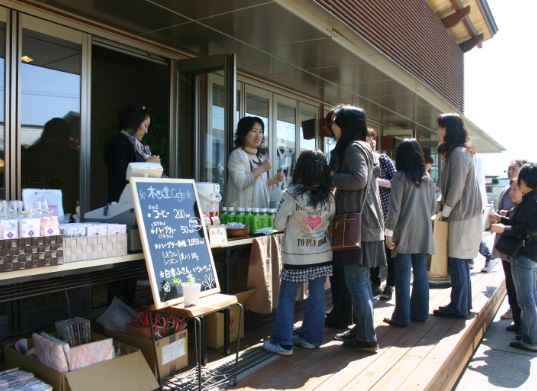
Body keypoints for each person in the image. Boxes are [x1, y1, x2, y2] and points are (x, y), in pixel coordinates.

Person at [263, 150, 335, 356]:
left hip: (297, 255)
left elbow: (278, 223)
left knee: (287, 296)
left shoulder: (292, 194)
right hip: (322, 254)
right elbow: (330, 221)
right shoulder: (328, 196)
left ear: (300, 169)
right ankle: (311, 338)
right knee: (318, 295)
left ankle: (282, 342)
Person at [329, 105, 385, 352]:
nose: (333, 126)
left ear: (346, 125)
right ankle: (363, 330)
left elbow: (359, 179)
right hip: (366, 224)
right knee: (358, 281)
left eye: (336, 122)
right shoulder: (363, 147)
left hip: (357, 226)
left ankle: (367, 336)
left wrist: (328, 178)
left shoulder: (353, 148)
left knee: (357, 281)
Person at [433, 113, 482, 319]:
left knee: (457, 260)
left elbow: (457, 187)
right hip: (463, 215)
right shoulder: (459, 153)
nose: (438, 131)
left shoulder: (459, 154)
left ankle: (459, 307)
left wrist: (445, 211)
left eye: (440, 127)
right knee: (459, 261)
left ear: (448, 129)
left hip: (463, 216)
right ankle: (462, 304)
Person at [383, 139, 435, 327]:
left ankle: (401, 316)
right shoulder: (428, 178)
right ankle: (420, 313)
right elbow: (432, 209)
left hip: (403, 232)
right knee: (421, 273)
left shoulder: (400, 177)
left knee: (403, 274)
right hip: (423, 232)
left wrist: (388, 233)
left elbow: (394, 209)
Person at [491, 162, 537, 352]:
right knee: (530, 298)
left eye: (519, 179)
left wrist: (504, 228)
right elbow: (523, 223)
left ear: (525, 180)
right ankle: (529, 335)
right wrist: (502, 219)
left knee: (526, 300)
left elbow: (527, 230)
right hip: (531, 255)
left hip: (524, 256)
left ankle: (530, 340)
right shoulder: (532, 198)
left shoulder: (530, 201)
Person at [22, 118, 79, 216]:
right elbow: (77, 185)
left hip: (33, 207)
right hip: (65, 208)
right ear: (66, 134)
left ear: (45, 133)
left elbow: (21, 179)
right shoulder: (72, 155)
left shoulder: (31, 152)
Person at [492, 160, 527, 322]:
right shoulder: (505, 190)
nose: (510, 170)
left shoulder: (528, 198)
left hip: (518, 246)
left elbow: (523, 226)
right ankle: (515, 313)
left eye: (514, 168)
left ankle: (521, 320)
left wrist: (505, 223)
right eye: (509, 168)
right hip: (507, 244)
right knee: (510, 279)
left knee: (521, 285)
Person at [105, 104, 161, 202]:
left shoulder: (138, 146)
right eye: (145, 126)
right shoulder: (119, 144)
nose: (147, 131)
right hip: (124, 205)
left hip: (138, 201)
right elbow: (119, 176)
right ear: (136, 122)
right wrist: (148, 165)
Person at [225, 116, 284, 208]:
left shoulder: (259, 157)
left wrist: (274, 180)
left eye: (260, 132)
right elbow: (241, 182)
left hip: (259, 212)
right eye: (254, 131)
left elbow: (259, 185)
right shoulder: (237, 155)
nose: (259, 135)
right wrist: (263, 168)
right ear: (243, 133)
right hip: (242, 213)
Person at [365, 128, 397, 300]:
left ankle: (390, 285)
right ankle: (374, 283)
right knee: (373, 250)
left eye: (373, 138)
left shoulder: (383, 159)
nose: (372, 141)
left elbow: (396, 181)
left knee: (390, 250)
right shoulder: (361, 160)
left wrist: (377, 182)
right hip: (370, 214)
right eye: (368, 138)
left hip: (386, 212)